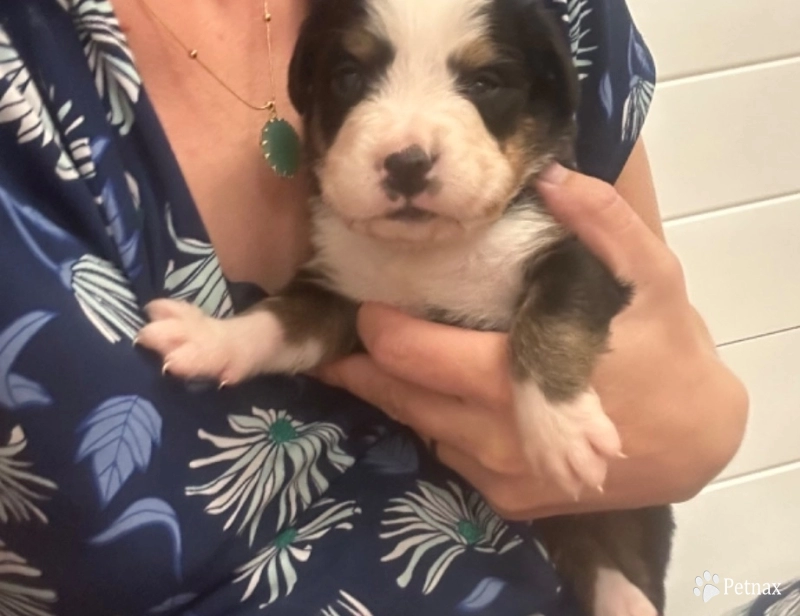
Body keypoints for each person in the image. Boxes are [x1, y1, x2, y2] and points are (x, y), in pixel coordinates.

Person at [0, 1, 749, 615]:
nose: (409, 146)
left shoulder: (564, 44)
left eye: (483, 83)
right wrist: (235, 341)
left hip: (576, 544)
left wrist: (697, 421)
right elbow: (325, 307)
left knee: (616, 571)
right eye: (356, 77)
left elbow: (630, 315)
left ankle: (609, 579)